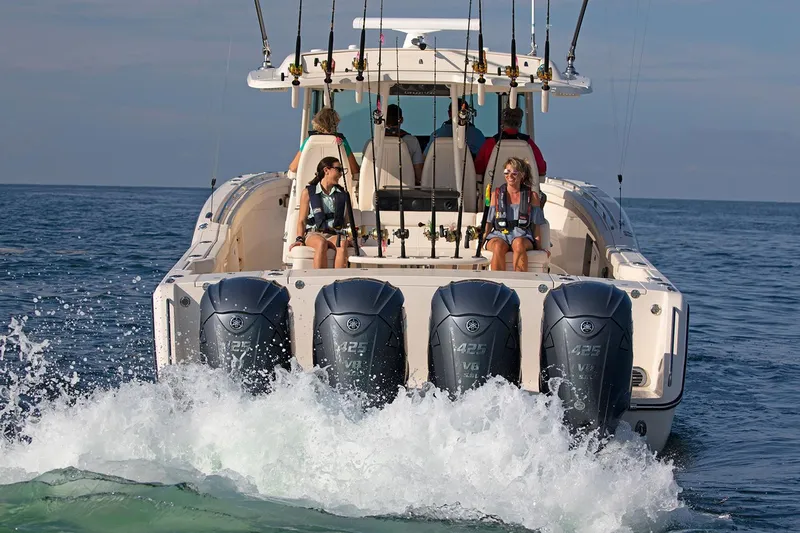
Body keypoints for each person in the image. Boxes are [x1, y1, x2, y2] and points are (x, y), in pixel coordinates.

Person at [483, 157, 546, 272]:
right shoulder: (495, 195)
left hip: (522, 235)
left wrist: (540, 248)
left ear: (522, 175)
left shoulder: (532, 196)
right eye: (507, 172)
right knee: (498, 246)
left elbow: (536, 226)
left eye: (514, 173)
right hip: (499, 234)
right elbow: (488, 223)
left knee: (519, 244)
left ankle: (520, 278)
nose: (510, 176)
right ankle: (498, 280)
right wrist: (480, 243)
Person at [289, 157, 352, 269]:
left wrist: (350, 237)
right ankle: (320, 277)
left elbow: (347, 222)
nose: (341, 174)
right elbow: (302, 221)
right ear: (326, 170)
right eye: (338, 169)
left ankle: (339, 278)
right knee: (321, 243)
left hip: (334, 234)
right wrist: (299, 239)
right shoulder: (308, 193)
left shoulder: (343, 194)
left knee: (342, 243)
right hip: (314, 234)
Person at [474, 107, 547, 178]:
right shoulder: (528, 143)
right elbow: (541, 170)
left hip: (492, 186)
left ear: (502, 122)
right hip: (522, 185)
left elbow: (478, 169)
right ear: (520, 123)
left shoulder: (490, 143)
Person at [363, 104, 424, 185]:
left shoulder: (371, 143)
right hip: (405, 188)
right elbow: (418, 172)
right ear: (401, 120)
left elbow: (366, 170)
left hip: (377, 187)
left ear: (383, 120)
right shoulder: (412, 141)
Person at [288, 108, 360, 175]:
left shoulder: (309, 141)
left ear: (316, 122)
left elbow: (293, 168)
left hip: (311, 183)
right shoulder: (341, 141)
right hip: (337, 182)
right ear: (336, 123)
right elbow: (354, 170)